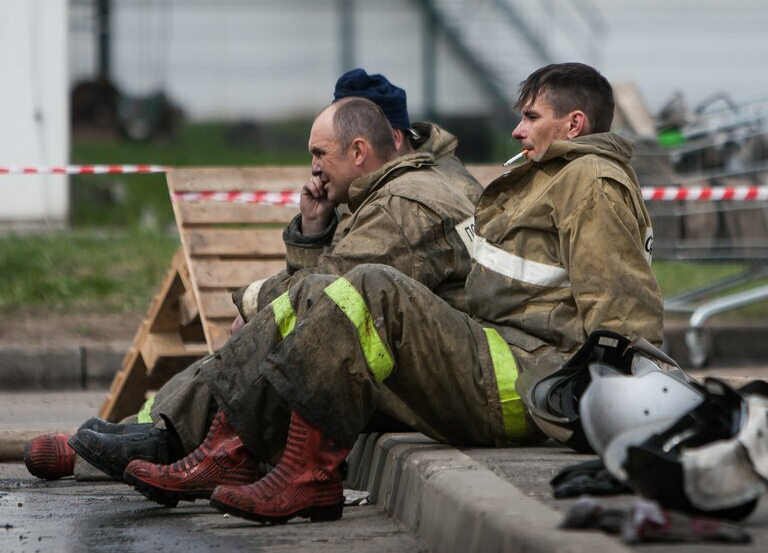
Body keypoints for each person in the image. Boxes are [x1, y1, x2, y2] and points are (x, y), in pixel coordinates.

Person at [119, 62, 664, 523]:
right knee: (332, 294)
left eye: (530, 117)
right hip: (500, 354)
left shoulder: (591, 179)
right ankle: (235, 450)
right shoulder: (546, 177)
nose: (517, 130)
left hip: (531, 382)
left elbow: (623, 310)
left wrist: (617, 422)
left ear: (575, 122)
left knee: (369, 288)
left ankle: (284, 468)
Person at [26, 73, 479, 481]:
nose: (315, 167)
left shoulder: (404, 205)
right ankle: (142, 438)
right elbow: (330, 293)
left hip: (427, 372)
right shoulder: (401, 183)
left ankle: (158, 443)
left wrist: (254, 305)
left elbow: (328, 295)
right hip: (419, 355)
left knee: (266, 347)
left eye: (324, 151)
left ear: (369, 143)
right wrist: (314, 231)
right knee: (270, 340)